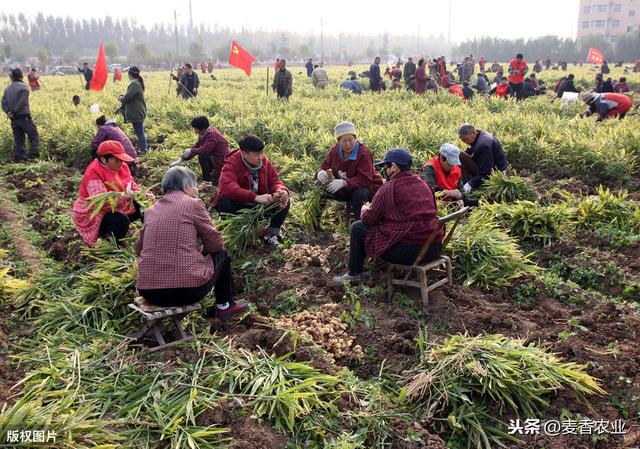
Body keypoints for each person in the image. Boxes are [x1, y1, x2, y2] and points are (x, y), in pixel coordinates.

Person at [135, 166, 248, 319]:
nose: (195, 189)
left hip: (149, 292)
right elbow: (215, 244)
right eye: (194, 186)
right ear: (186, 186)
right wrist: (202, 254)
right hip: (187, 290)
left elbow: (139, 249)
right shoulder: (193, 204)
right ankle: (225, 306)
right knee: (222, 254)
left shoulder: (151, 210)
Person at [332, 148, 442, 284]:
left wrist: (365, 208)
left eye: (385, 167)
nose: (384, 171)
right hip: (433, 248)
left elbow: (368, 219)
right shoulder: (424, 184)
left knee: (357, 227)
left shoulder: (389, 188)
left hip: (409, 252)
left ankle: (354, 273)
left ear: (394, 167)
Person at [214, 134, 290, 246]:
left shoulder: (264, 161)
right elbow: (228, 187)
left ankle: (271, 234)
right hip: (240, 205)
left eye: (262, 152)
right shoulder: (231, 164)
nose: (261, 157)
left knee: (284, 201)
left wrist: (281, 190)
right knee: (224, 200)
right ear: (244, 154)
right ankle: (232, 232)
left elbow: (274, 180)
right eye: (256, 155)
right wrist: (255, 197)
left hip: (258, 206)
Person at [73, 140, 141, 246]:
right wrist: (127, 196)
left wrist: (142, 194)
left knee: (144, 207)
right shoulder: (93, 172)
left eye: (121, 160)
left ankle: (148, 240)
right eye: (116, 160)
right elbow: (103, 204)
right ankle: (112, 246)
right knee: (120, 220)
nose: (121, 163)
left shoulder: (122, 167)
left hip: (118, 204)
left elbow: (132, 185)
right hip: (94, 213)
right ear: (104, 159)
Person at [316, 122, 383, 221]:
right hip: (343, 189)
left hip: (366, 188)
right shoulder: (334, 151)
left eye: (351, 140)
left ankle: (360, 225)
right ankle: (315, 224)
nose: (348, 144)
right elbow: (324, 166)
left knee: (360, 194)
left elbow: (365, 180)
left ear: (355, 139)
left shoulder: (363, 153)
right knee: (319, 188)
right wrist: (320, 173)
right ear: (338, 142)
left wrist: (344, 182)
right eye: (344, 141)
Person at [2, 68, 40, 162]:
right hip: (24, 117)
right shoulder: (24, 87)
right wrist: (14, 111)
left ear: (12, 77)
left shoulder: (7, 89)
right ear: (21, 76)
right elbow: (22, 102)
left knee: (18, 138)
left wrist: (9, 112)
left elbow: (3, 103)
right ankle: (33, 155)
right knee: (33, 135)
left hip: (13, 118)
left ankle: (20, 155)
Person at [458, 124, 507, 194]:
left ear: (473, 133)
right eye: (463, 141)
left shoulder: (484, 145)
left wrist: (470, 184)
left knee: (461, 157)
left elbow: (487, 171)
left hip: (495, 174)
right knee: (460, 155)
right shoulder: (480, 135)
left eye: (466, 139)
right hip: (493, 166)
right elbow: (473, 148)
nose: (465, 142)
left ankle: (465, 183)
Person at [181, 115, 230, 184]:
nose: (195, 131)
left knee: (202, 156)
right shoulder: (204, 133)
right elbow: (198, 145)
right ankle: (212, 176)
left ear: (202, 128)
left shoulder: (212, 135)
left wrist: (191, 151)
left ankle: (207, 181)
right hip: (214, 157)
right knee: (203, 156)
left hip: (221, 160)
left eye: (195, 128)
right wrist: (184, 158)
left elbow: (205, 150)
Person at [119, 66, 147, 154]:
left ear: (130, 74)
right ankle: (142, 148)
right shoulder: (137, 83)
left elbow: (128, 97)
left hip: (137, 112)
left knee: (139, 132)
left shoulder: (134, 84)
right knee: (139, 131)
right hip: (138, 112)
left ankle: (143, 149)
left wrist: (121, 98)